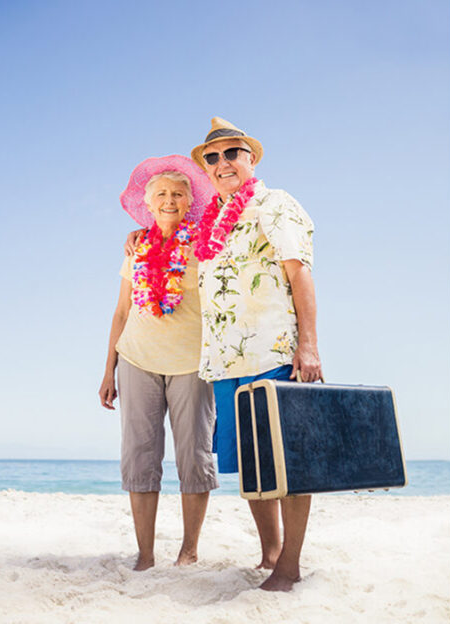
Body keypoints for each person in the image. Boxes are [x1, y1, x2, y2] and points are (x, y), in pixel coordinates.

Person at [125, 118, 322, 591]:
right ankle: (270, 553)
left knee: (286, 463)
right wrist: (135, 237)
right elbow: (166, 235)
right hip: (226, 361)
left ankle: (290, 566)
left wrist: (309, 344)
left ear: (251, 159)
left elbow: (300, 274)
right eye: (212, 158)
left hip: (273, 350)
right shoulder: (210, 218)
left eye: (232, 153)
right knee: (254, 468)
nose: (221, 163)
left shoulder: (275, 204)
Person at [99, 155, 219, 571]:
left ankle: (189, 550)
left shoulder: (206, 245)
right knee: (140, 455)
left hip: (191, 362)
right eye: (161, 194)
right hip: (136, 360)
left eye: (178, 194)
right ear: (148, 205)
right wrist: (108, 369)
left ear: (190, 202)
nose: (169, 200)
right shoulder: (136, 246)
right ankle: (146, 554)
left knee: (194, 455)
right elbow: (120, 313)